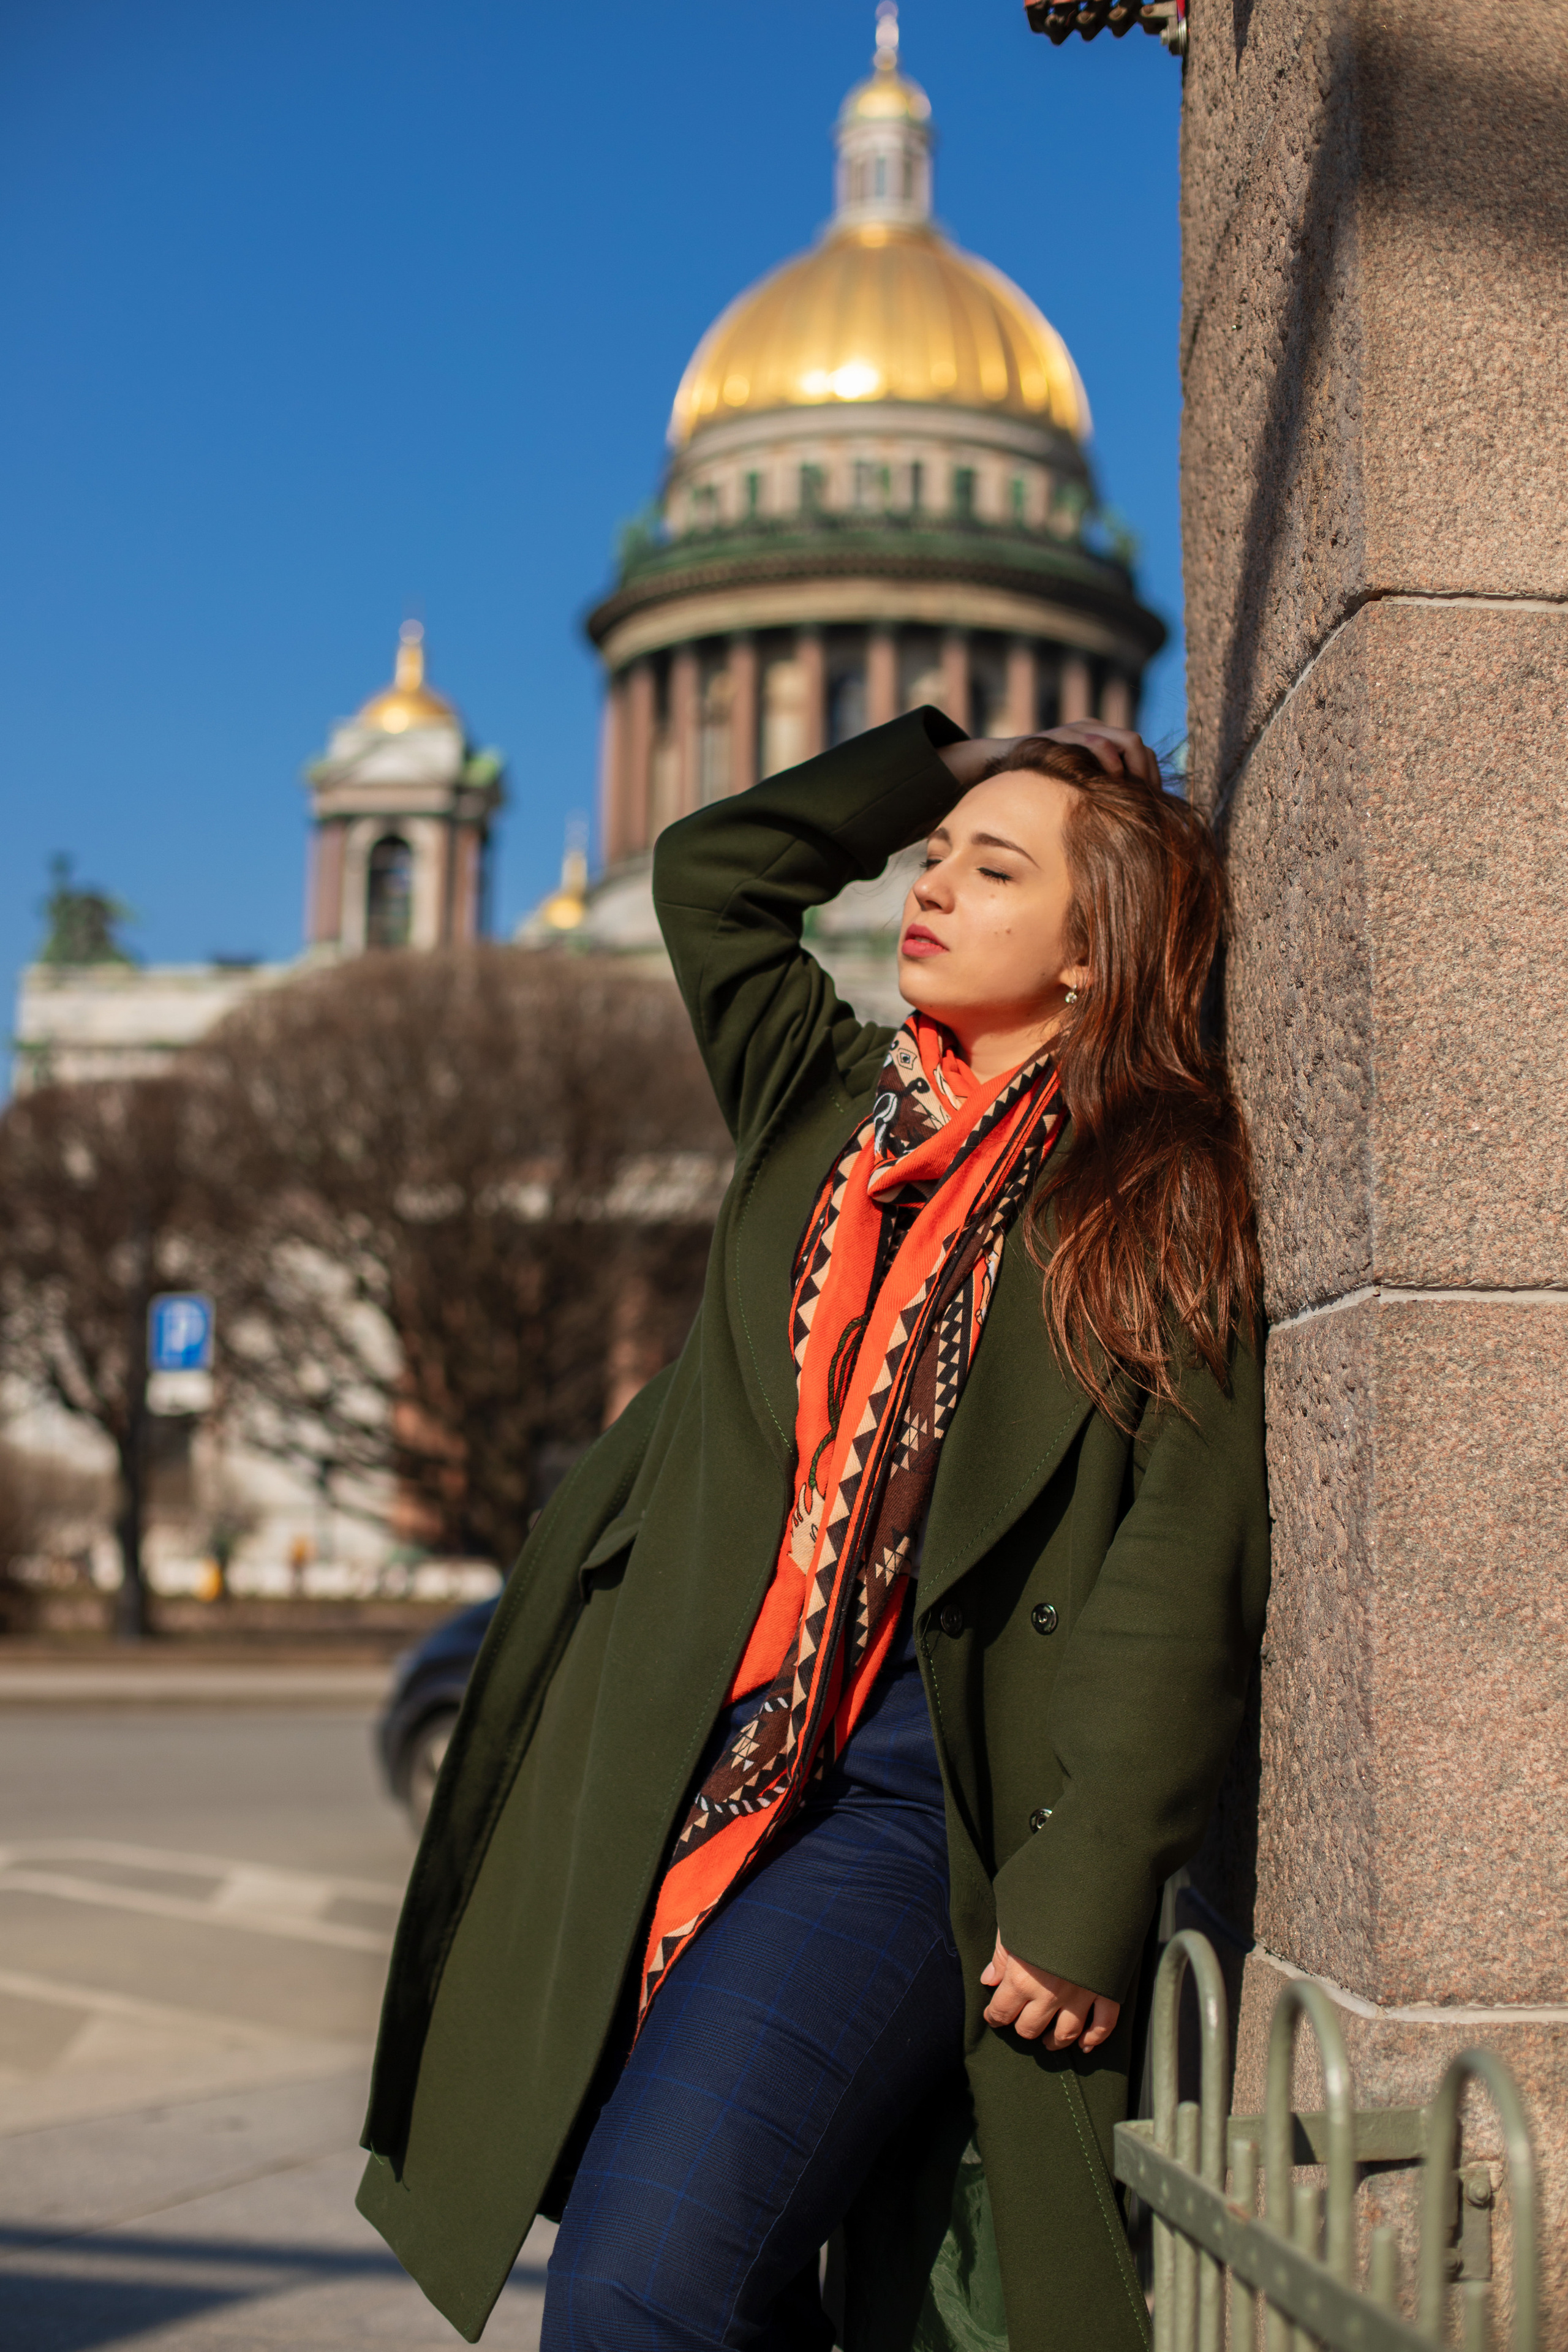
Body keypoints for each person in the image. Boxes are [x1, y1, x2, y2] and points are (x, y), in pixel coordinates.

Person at [357, 709, 1270, 2352]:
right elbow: (714, 876)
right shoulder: (827, 1107)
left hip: (924, 1797)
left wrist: (1085, 1884)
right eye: (930, 855)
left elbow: (1178, 1561)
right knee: (738, 2283)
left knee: (640, 2288)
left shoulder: (1150, 1195)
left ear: (1093, 952)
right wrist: (957, 755)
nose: (928, 885)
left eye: (993, 869)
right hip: (701, 1763)